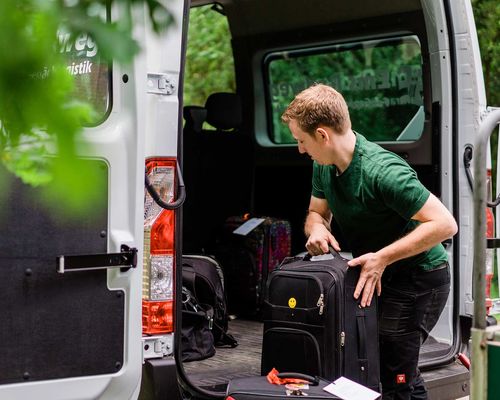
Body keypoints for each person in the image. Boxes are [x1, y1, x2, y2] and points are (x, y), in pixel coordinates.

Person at [281, 83, 458, 400]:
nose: (300, 149)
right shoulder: (324, 165)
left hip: (419, 277)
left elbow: (445, 224)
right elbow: (315, 213)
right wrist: (317, 229)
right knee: (366, 362)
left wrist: (382, 258)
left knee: (397, 374)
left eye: (302, 141)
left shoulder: (382, 171)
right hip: (377, 272)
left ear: (323, 135)